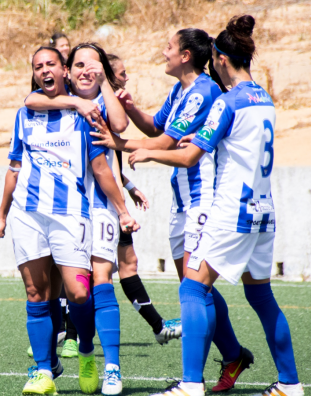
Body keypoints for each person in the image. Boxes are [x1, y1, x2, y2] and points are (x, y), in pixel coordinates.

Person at [126, 15, 305, 396]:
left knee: (192, 289)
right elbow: (236, 141)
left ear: (221, 59)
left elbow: (190, 157)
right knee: (260, 296)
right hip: (264, 213)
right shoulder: (263, 98)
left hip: (230, 213)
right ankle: (290, 384)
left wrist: (148, 155)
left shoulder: (226, 101)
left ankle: (190, 384)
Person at [92, 29, 254, 393]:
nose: (162, 52)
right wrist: (131, 108)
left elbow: (162, 143)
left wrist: (115, 141)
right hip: (183, 202)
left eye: (168, 47)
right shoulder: (180, 91)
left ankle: (192, 381)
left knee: (194, 290)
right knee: (195, 288)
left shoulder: (203, 91)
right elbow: (157, 128)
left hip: (204, 200)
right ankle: (232, 355)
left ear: (184, 55)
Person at [0, 46, 139, 396]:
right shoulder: (25, 113)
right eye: (38, 66)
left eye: (50, 64)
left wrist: (122, 209)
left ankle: (86, 348)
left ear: (65, 70)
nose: (44, 71)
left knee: (79, 292)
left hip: (72, 212)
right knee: (36, 293)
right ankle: (44, 371)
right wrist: (2, 216)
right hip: (28, 213)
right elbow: (14, 167)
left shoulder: (86, 115)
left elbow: (101, 168)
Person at [25, 42, 128, 396]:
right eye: (79, 64)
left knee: (98, 280)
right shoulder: (61, 102)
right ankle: (57, 358)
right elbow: (31, 100)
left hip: (100, 203)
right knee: (63, 290)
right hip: (67, 205)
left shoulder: (101, 101)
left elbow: (118, 131)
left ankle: (111, 366)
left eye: (93, 65)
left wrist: (104, 86)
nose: (86, 70)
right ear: (69, 70)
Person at [108, 52, 183, 345]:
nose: (127, 78)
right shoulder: (99, 110)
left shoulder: (114, 110)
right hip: (101, 201)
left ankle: (157, 326)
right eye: (123, 73)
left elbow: (107, 162)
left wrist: (128, 186)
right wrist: (121, 199)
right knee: (93, 272)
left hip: (114, 196)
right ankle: (70, 335)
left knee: (126, 265)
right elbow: (98, 162)